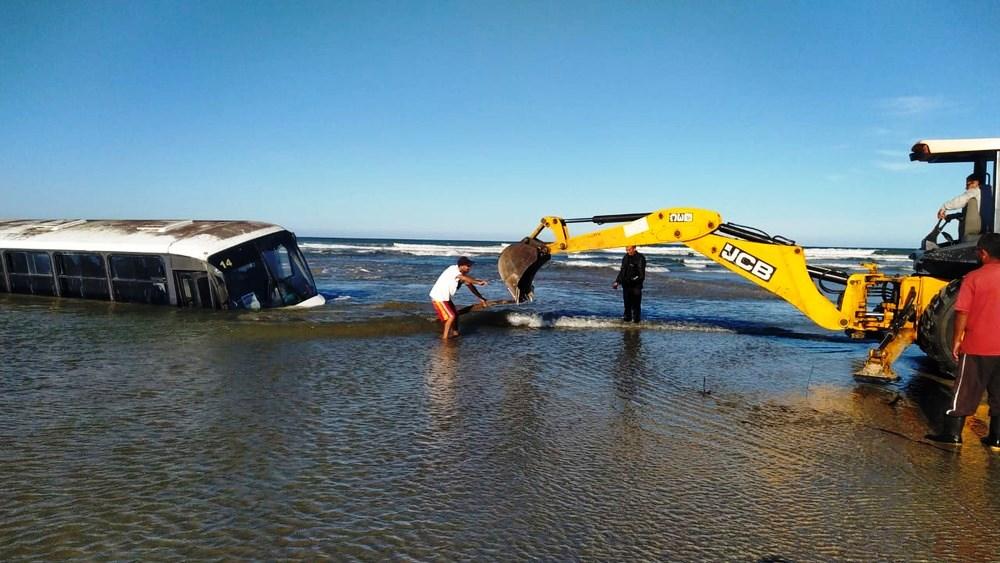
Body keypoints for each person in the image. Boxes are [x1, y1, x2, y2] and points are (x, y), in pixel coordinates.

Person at [926, 233, 1000, 448]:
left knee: (965, 390)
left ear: (983, 253)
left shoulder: (974, 278)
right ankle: (996, 438)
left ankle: (953, 435)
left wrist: (957, 339)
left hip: (978, 345)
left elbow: (962, 311)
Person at [429, 256, 488, 340]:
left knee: (455, 315)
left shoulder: (461, 274)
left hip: (445, 297)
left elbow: (469, 284)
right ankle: (444, 338)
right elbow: (464, 278)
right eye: (468, 266)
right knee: (451, 316)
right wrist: (478, 282)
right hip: (439, 296)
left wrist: (480, 297)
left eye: (470, 266)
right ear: (461, 266)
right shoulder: (453, 270)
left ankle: (455, 333)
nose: (469, 268)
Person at [611, 245, 646, 323]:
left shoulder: (640, 258)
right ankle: (627, 321)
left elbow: (641, 275)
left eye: (629, 250)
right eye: (626, 250)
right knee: (627, 304)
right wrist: (617, 281)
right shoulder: (625, 257)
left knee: (636, 305)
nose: (628, 251)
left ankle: (636, 323)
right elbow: (622, 271)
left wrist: (633, 280)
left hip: (636, 286)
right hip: (626, 285)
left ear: (634, 248)